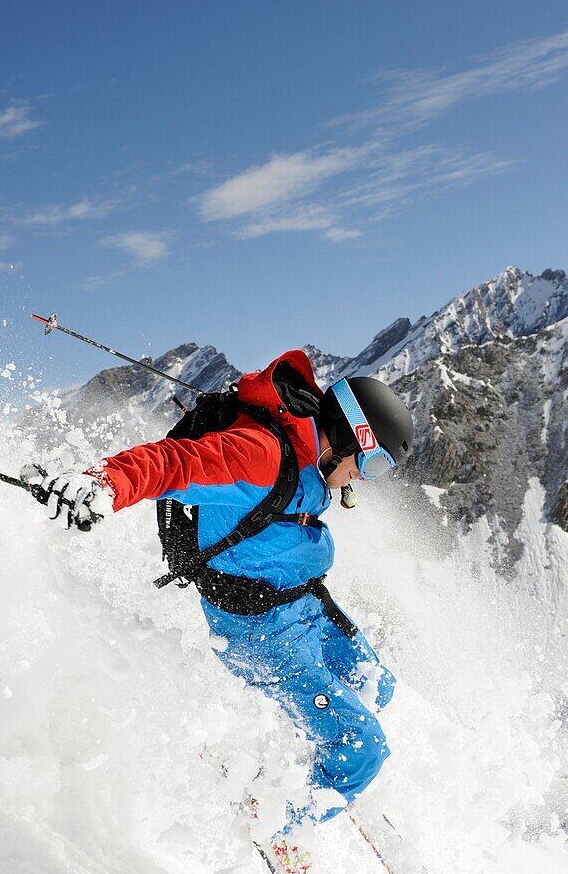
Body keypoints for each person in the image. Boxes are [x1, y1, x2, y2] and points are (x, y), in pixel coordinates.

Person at [28, 349, 414, 829]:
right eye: (371, 464)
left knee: (377, 687)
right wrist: (103, 485)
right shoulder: (263, 454)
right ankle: (281, 825)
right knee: (365, 750)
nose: (363, 479)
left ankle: (308, 738)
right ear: (349, 434)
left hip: (303, 607)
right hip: (261, 634)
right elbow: (172, 464)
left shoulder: (306, 454)